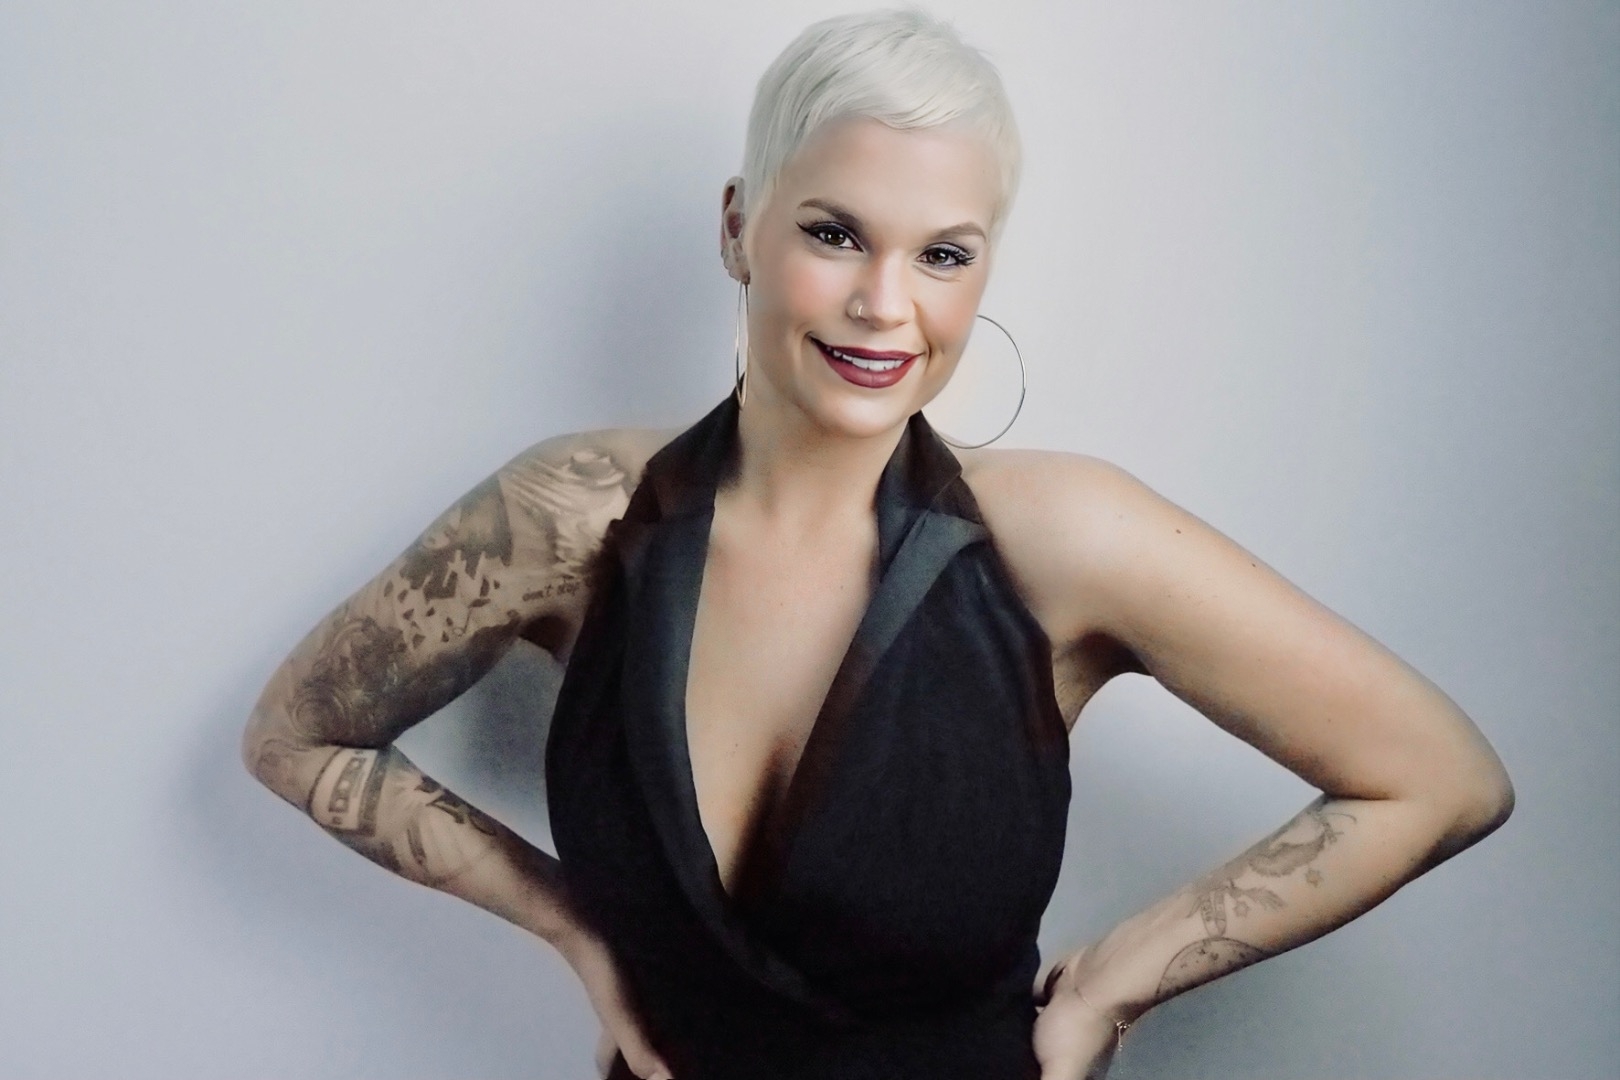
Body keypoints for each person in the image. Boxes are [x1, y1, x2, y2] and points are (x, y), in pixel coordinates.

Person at [240, 9, 1515, 1079]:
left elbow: (1436, 777)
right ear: (738, 226)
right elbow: (298, 736)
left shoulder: (1062, 540)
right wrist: (576, 926)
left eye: (942, 254)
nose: (884, 303)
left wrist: (1114, 982)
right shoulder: (568, 515)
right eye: (835, 232)